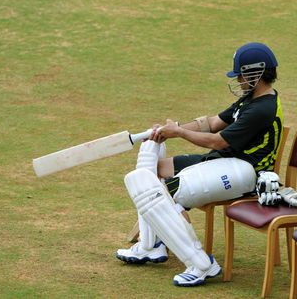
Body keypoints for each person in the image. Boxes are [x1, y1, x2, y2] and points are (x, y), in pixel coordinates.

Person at [116, 42, 284, 287]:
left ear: (254, 74)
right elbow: (213, 123)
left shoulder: (262, 108)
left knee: (164, 193)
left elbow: (216, 141)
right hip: (226, 160)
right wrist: (171, 129)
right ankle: (151, 246)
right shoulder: (250, 100)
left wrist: (179, 134)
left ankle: (202, 265)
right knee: (151, 168)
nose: (237, 80)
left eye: (240, 75)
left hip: (246, 171)